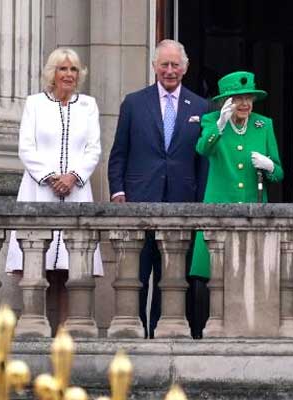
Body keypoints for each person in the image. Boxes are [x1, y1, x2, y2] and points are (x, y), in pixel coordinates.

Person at [107, 39, 209, 339]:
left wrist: (202, 204)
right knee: (136, 277)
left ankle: (164, 335)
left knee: (172, 278)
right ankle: (137, 335)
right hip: (140, 204)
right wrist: (117, 192)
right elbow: (119, 153)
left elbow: (202, 161)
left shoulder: (201, 107)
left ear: (185, 67)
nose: (169, 70)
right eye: (164, 64)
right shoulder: (133, 103)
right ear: (154, 67)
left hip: (182, 206)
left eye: (175, 64)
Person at [6, 47, 103, 330]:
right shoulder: (35, 104)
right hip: (40, 191)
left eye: (73, 69)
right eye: (63, 69)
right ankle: (35, 328)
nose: (69, 74)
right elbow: (26, 147)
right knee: (38, 263)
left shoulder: (88, 105)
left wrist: (73, 176)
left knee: (70, 267)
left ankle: (66, 331)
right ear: (53, 73)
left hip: (76, 192)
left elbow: (93, 149)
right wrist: (51, 177)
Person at [189, 71, 283, 337]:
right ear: (226, 101)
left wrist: (269, 165)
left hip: (253, 214)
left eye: (248, 98)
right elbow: (202, 150)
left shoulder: (263, 125)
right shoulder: (212, 121)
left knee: (249, 277)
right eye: (238, 99)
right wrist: (218, 126)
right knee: (214, 276)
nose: (245, 104)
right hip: (218, 211)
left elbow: (278, 173)